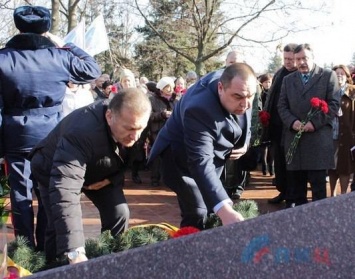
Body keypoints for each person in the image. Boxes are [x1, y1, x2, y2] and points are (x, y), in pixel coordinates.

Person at [0, 5, 101, 251]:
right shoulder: (61, 56)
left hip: (15, 133)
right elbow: (93, 69)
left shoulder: (3, 58)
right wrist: (64, 43)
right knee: (47, 191)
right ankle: (47, 247)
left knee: (20, 195)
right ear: (46, 30)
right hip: (50, 133)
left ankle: (25, 248)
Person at [30, 89, 152, 264]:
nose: (135, 136)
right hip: (53, 168)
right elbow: (65, 191)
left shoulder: (137, 124)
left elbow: (126, 161)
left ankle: (112, 263)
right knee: (59, 229)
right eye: (130, 129)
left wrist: (112, 179)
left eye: (140, 129)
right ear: (110, 116)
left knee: (119, 212)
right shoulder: (81, 131)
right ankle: (53, 268)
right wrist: (74, 251)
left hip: (100, 171)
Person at [148, 63, 257, 229]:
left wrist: (245, 143)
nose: (246, 104)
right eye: (239, 97)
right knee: (198, 212)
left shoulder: (240, 85)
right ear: (220, 88)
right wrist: (226, 211)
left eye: (251, 96)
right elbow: (200, 161)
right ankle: (190, 251)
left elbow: (246, 117)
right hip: (180, 158)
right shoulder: (198, 108)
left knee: (213, 206)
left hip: (213, 155)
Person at [278, 43, 339, 208]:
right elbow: (281, 106)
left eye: (305, 58)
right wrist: (292, 122)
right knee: (297, 194)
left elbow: (333, 105)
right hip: (295, 144)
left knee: (319, 193)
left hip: (317, 143)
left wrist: (314, 123)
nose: (301, 62)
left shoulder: (328, 76)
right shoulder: (287, 80)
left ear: (313, 58)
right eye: (298, 59)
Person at [263, 43, 298, 204]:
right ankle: (282, 191)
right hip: (276, 127)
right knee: (280, 163)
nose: (288, 62)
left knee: (291, 165)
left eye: (290, 58)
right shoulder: (279, 74)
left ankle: (291, 196)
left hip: (290, 128)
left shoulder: (299, 76)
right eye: (285, 58)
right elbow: (271, 97)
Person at [328, 65, 355, 196]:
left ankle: (343, 195)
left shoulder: (352, 92)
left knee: (345, 167)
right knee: (332, 168)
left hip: (347, 137)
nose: (339, 75)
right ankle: (331, 195)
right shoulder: (328, 92)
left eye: (342, 73)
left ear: (347, 76)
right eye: (336, 73)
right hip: (330, 135)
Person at [148, 77, 177, 186]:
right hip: (157, 131)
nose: (170, 89)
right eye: (167, 87)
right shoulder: (152, 100)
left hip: (173, 131)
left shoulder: (176, 100)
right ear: (161, 88)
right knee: (157, 155)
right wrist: (162, 114)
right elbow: (149, 116)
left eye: (171, 86)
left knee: (171, 155)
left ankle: (170, 179)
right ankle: (155, 178)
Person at [258, 73, 274, 176]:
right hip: (262, 121)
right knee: (263, 145)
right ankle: (264, 166)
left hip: (272, 121)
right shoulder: (260, 93)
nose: (267, 84)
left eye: (269, 82)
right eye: (265, 82)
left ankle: (271, 166)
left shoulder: (273, 93)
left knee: (272, 145)